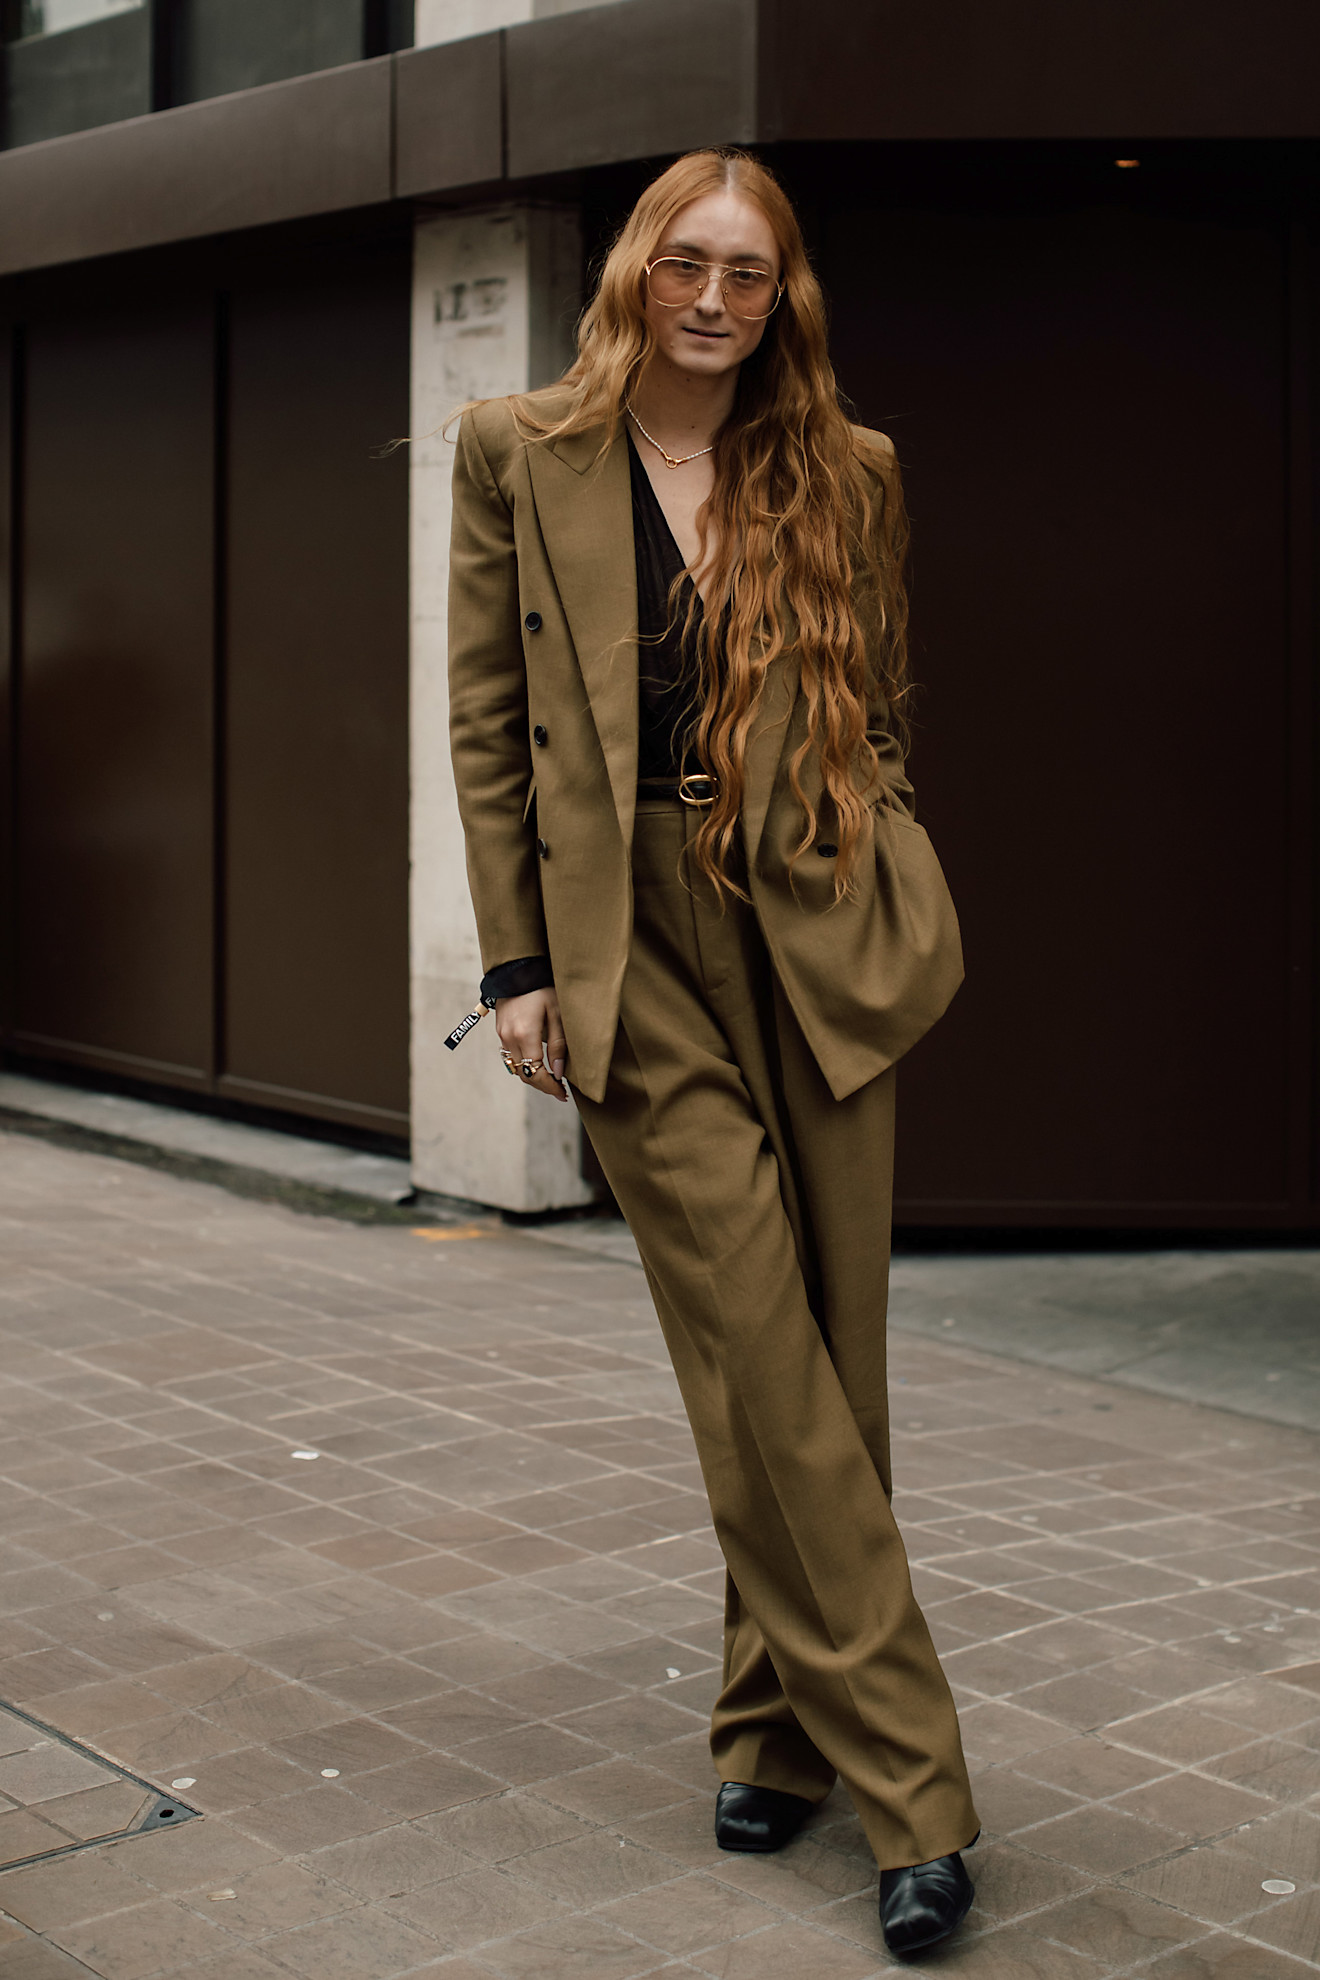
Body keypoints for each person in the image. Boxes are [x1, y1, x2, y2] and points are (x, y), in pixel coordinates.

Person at [446, 148, 979, 1957]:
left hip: (813, 923)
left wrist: (884, 855)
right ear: (634, 271)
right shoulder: (519, 452)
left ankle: (773, 1731)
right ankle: (916, 1787)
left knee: (831, 1353)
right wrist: (517, 960)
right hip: (631, 953)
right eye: (688, 263)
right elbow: (491, 725)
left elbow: (884, 707)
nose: (714, 299)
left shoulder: (850, 471)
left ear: (784, 297)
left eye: (751, 274)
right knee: (758, 1336)